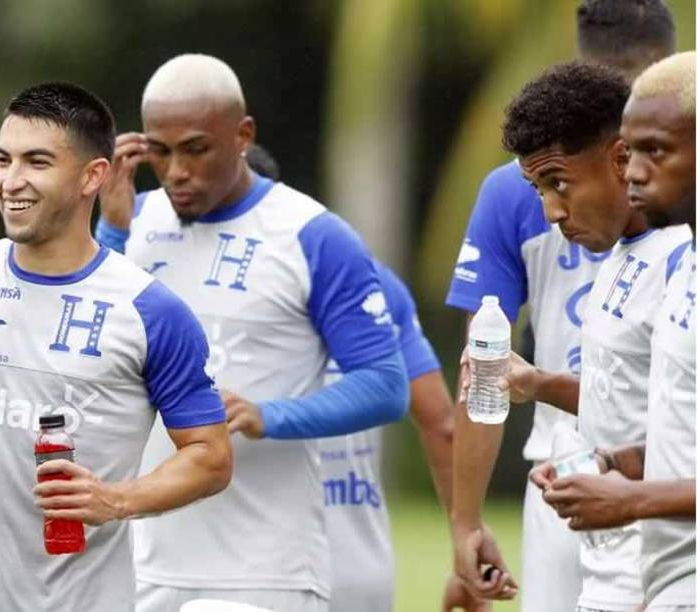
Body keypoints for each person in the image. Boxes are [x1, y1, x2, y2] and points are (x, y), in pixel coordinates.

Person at [0, 82, 233, 611]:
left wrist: (116, 500)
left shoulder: (150, 311)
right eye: (2, 160)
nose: (12, 181)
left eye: (36, 162)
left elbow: (210, 456)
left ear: (92, 176)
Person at [93, 54, 408, 611]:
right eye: (160, 153)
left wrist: (269, 415)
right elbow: (88, 359)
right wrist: (112, 235)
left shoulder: (312, 234)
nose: (175, 172)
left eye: (195, 149)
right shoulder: (131, 224)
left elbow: (385, 384)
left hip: (263, 572)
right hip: (140, 561)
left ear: (243, 136)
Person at [446, 1, 676, 607]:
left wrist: (638, 491)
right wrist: (466, 522)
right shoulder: (618, 252)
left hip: (658, 518)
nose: (550, 211)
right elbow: (486, 369)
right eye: (540, 188)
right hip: (568, 478)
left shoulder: (677, 252)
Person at [246, 144, 476, 611]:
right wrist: (465, 549)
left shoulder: (186, 287)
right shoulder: (375, 283)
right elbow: (444, 424)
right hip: (361, 572)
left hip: (250, 571)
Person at [529, 51, 695, 612]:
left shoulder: (671, 257)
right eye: (632, 152)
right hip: (643, 571)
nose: (635, 171)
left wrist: (632, 501)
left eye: (657, 151)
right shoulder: (665, 258)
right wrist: (611, 465)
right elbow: (676, 426)